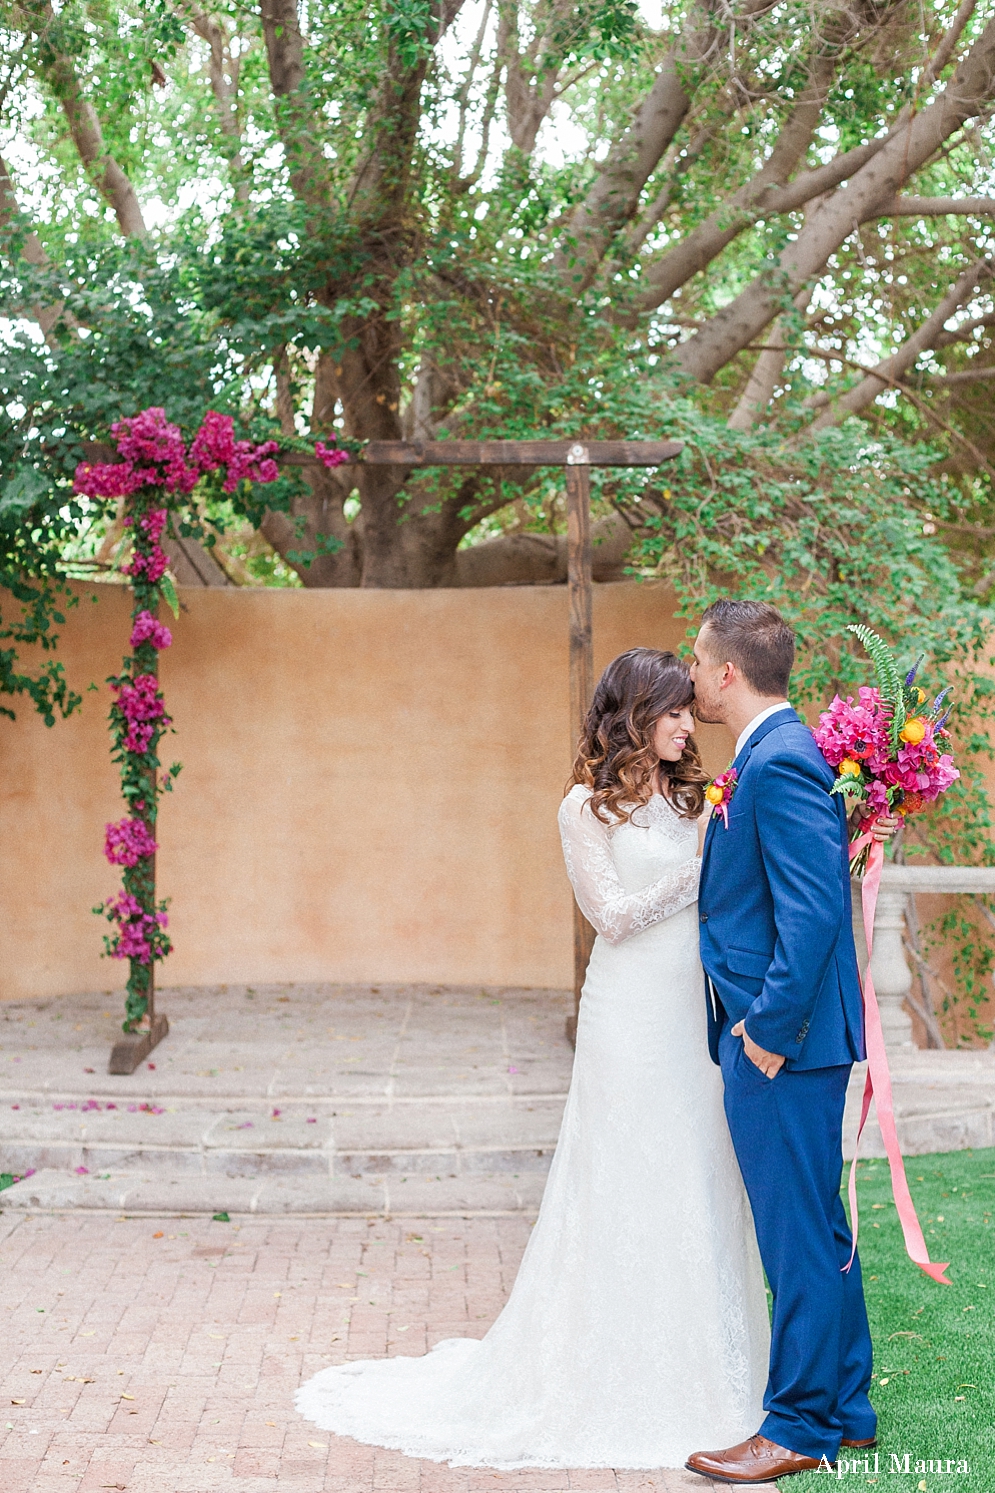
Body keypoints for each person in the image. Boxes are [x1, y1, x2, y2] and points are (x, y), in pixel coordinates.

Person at [294, 646, 772, 1468]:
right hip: (628, 1013)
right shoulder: (583, 808)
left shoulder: (696, 794)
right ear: (633, 715)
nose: (688, 724)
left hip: (692, 1005)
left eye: (688, 711)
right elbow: (612, 915)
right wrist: (696, 870)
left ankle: (716, 1367)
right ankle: (607, 1369)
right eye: (672, 712)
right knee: (624, 1174)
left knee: (698, 1168)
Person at [684, 598, 893, 1485]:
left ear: (728, 672)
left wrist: (765, 1029)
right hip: (792, 1044)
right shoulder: (773, 754)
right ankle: (846, 1407)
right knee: (817, 1224)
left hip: (785, 1046)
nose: (689, 675)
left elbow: (813, 913)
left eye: (696, 660)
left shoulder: (778, 762)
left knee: (795, 1235)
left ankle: (797, 1423)